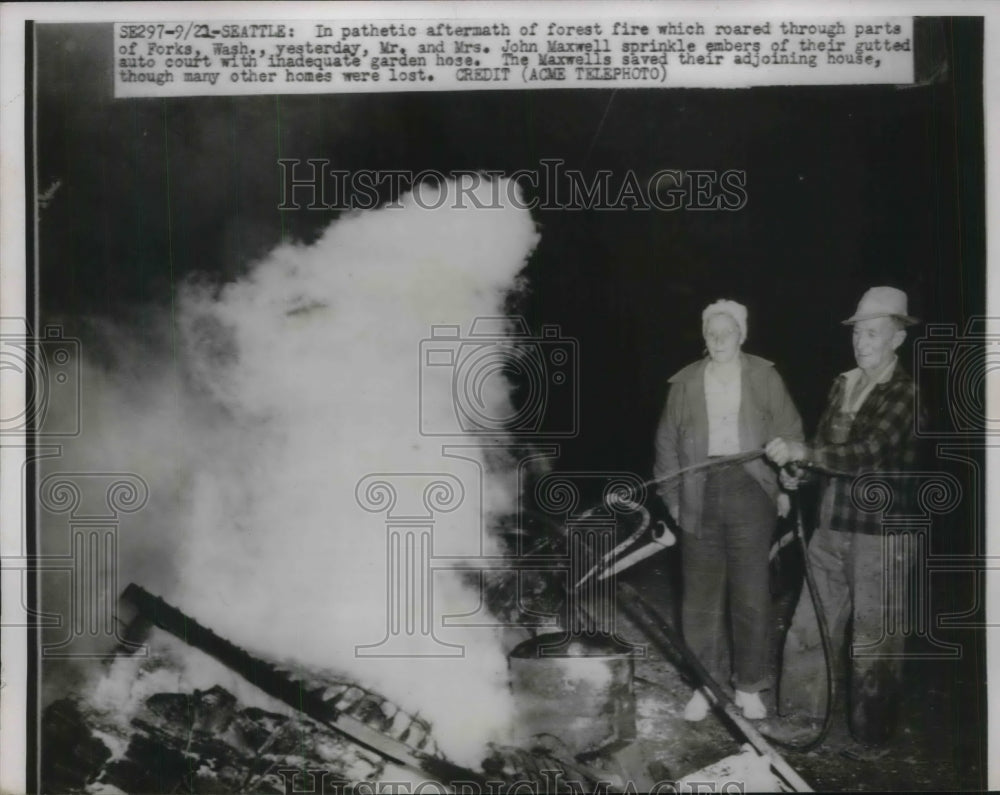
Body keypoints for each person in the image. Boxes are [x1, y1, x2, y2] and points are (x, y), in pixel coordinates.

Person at [764, 286, 919, 754]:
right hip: (831, 527)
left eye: (873, 333)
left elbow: (867, 453)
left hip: (882, 536)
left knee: (875, 638)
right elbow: (823, 453)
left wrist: (805, 453)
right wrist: (799, 472)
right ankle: (800, 719)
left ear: (897, 338)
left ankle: (872, 736)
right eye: (857, 333)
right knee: (808, 625)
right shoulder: (842, 384)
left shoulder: (905, 393)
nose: (861, 342)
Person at [654, 299, 803, 721]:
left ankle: (749, 686)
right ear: (704, 337)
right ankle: (705, 684)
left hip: (750, 488)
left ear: (743, 334)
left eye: (728, 331)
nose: (719, 339)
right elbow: (665, 446)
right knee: (699, 598)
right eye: (711, 333)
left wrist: (784, 480)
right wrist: (674, 501)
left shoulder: (764, 376)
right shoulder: (685, 383)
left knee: (751, 593)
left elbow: (790, 432)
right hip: (698, 491)